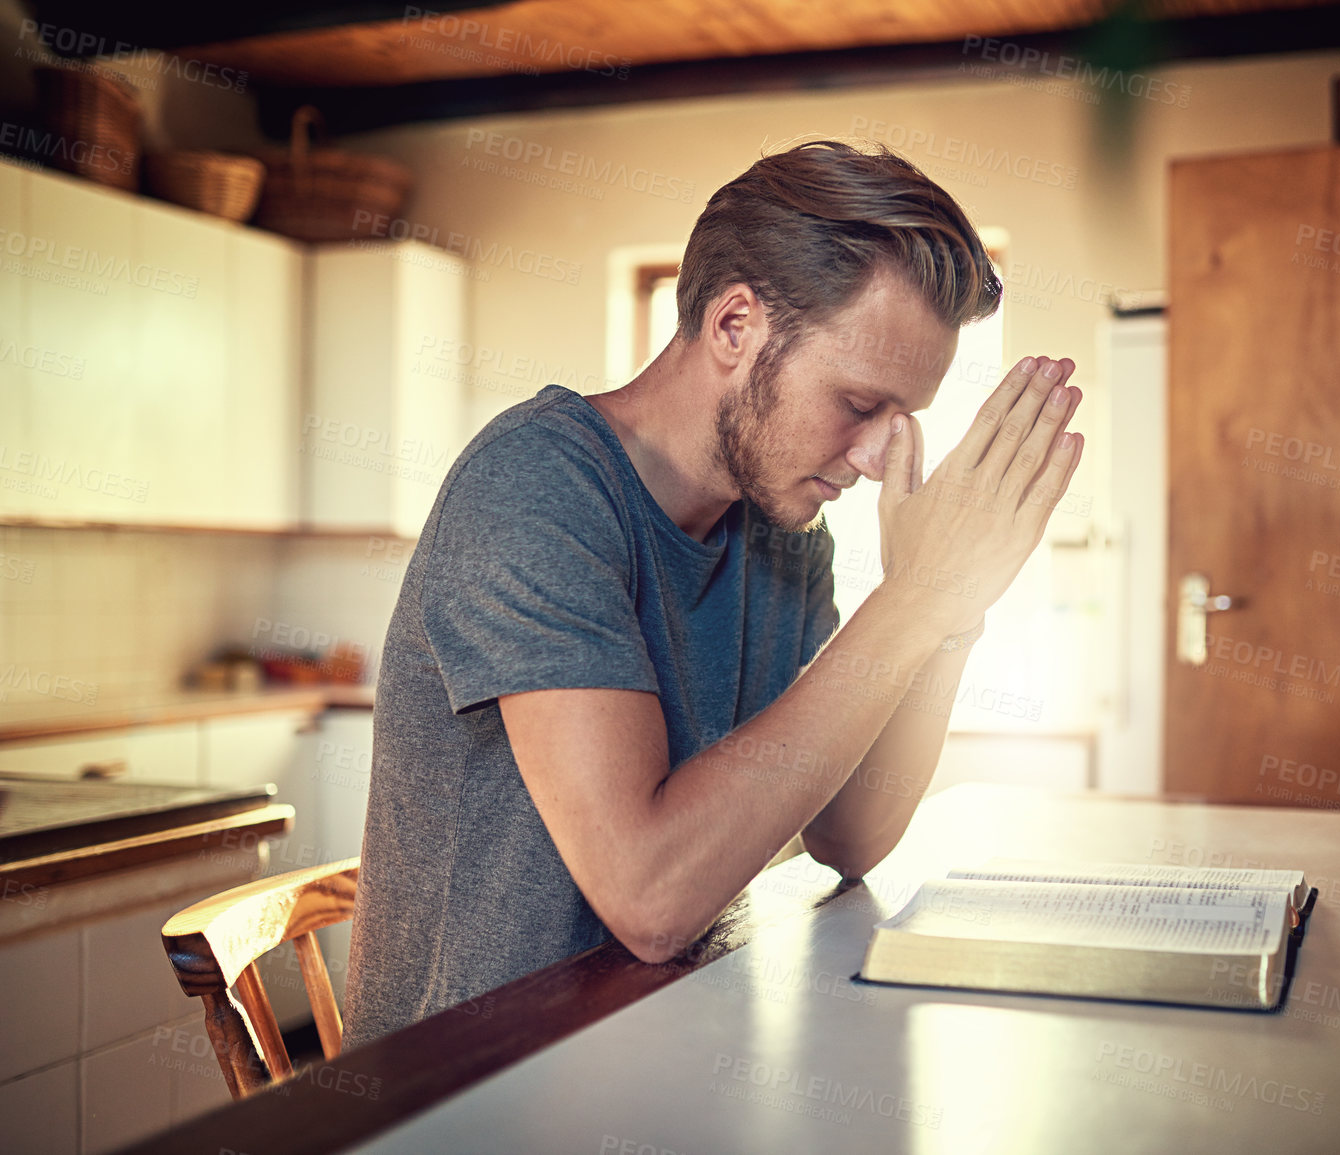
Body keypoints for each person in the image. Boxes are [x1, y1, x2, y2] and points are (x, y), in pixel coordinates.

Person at [342, 139, 1083, 1046]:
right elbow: (649, 897)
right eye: (857, 403)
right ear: (736, 325)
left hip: (656, 1049)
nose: (876, 455)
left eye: (901, 420)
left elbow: (848, 836)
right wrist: (909, 604)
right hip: (465, 1092)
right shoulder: (537, 484)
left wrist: (947, 611)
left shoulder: (780, 529)